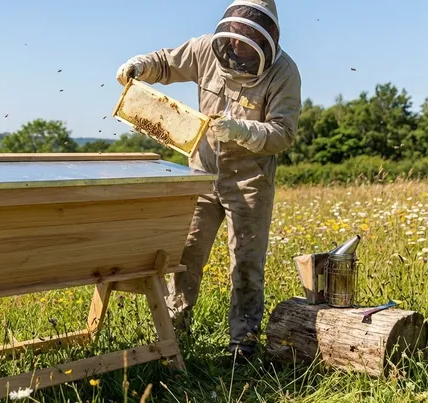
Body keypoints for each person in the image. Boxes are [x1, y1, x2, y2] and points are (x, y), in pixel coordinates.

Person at [116, 0, 301, 358]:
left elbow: (283, 133)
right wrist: (140, 65)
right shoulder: (206, 48)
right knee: (186, 254)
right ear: (228, 30)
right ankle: (174, 332)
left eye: (249, 44)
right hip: (202, 175)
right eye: (235, 41)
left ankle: (243, 345)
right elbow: (167, 62)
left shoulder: (284, 73)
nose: (239, 50)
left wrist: (242, 131)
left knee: (247, 262)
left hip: (250, 182)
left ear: (267, 38)